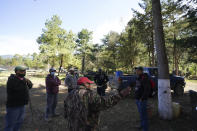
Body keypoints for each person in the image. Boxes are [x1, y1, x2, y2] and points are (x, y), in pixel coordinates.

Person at [64, 77, 131, 131]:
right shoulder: (88, 94)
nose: (91, 85)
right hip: (87, 127)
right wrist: (120, 95)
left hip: (73, 126)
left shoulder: (70, 94)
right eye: (89, 84)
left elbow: (66, 112)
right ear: (86, 84)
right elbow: (105, 103)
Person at [5, 66, 33, 131]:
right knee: (10, 123)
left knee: (19, 121)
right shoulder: (11, 80)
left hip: (22, 104)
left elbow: (30, 86)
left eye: (24, 71)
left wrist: (28, 82)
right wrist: (24, 81)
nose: (23, 72)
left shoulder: (23, 79)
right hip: (13, 106)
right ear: (16, 71)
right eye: (21, 71)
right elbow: (18, 89)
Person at [134, 67, 151, 131]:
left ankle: (145, 129)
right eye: (136, 71)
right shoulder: (138, 77)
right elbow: (137, 87)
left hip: (142, 100)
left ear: (141, 71)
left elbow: (147, 89)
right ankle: (141, 125)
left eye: (137, 71)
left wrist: (142, 98)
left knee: (144, 115)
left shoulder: (144, 78)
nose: (136, 72)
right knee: (141, 114)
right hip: (137, 99)